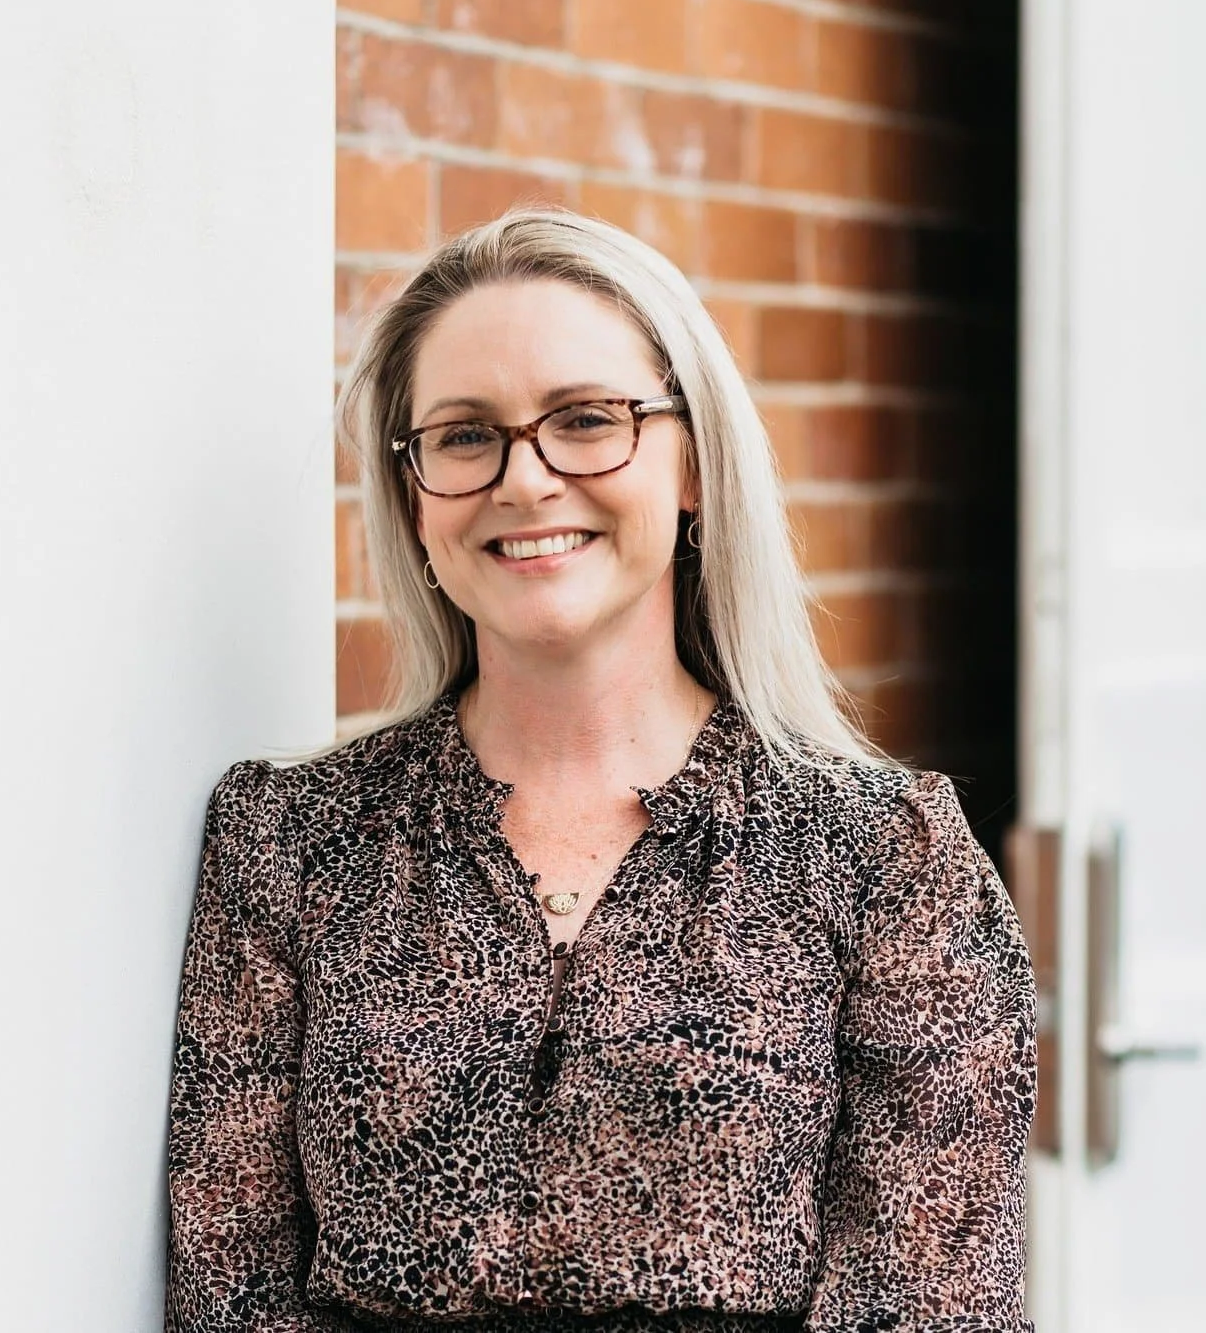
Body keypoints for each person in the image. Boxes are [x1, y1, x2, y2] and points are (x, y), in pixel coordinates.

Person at [164, 210, 1037, 1332]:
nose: (524, 480)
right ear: (414, 497)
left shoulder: (886, 858)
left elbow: (933, 1304)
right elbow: (231, 1291)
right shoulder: (288, 838)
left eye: (586, 420)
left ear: (692, 468)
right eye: (465, 435)